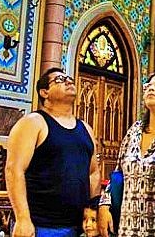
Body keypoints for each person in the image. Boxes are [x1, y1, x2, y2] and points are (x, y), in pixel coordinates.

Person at [6, 67, 100, 237]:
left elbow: (93, 173)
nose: (68, 81)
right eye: (59, 79)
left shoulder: (86, 128)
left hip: (78, 226)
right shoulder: (34, 123)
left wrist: (92, 213)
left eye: (69, 78)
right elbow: (14, 170)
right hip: (42, 225)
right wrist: (23, 218)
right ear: (44, 92)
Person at [97, 71, 155, 237]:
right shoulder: (135, 130)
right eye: (148, 85)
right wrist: (104, 205)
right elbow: (118, 173)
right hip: (129, 227)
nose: (151, 88)